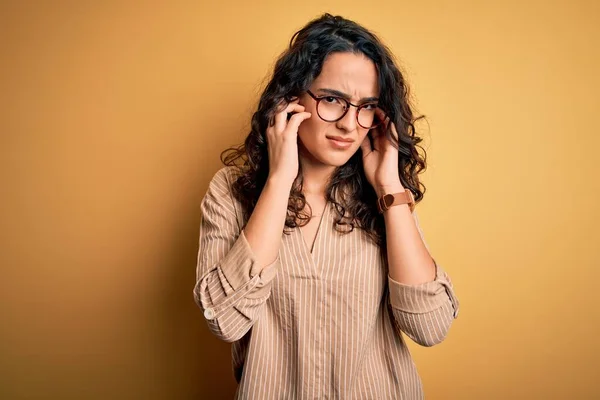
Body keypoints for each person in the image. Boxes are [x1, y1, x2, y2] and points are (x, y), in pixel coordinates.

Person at [193, 13, 460, 399]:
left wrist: (389, 187)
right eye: (333, 100)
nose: (350, 124)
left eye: (366, 106)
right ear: (292, 99)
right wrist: (279, 180)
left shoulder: (382, 198)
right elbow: (226, 319)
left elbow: (430, 327)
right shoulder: (231, 192)